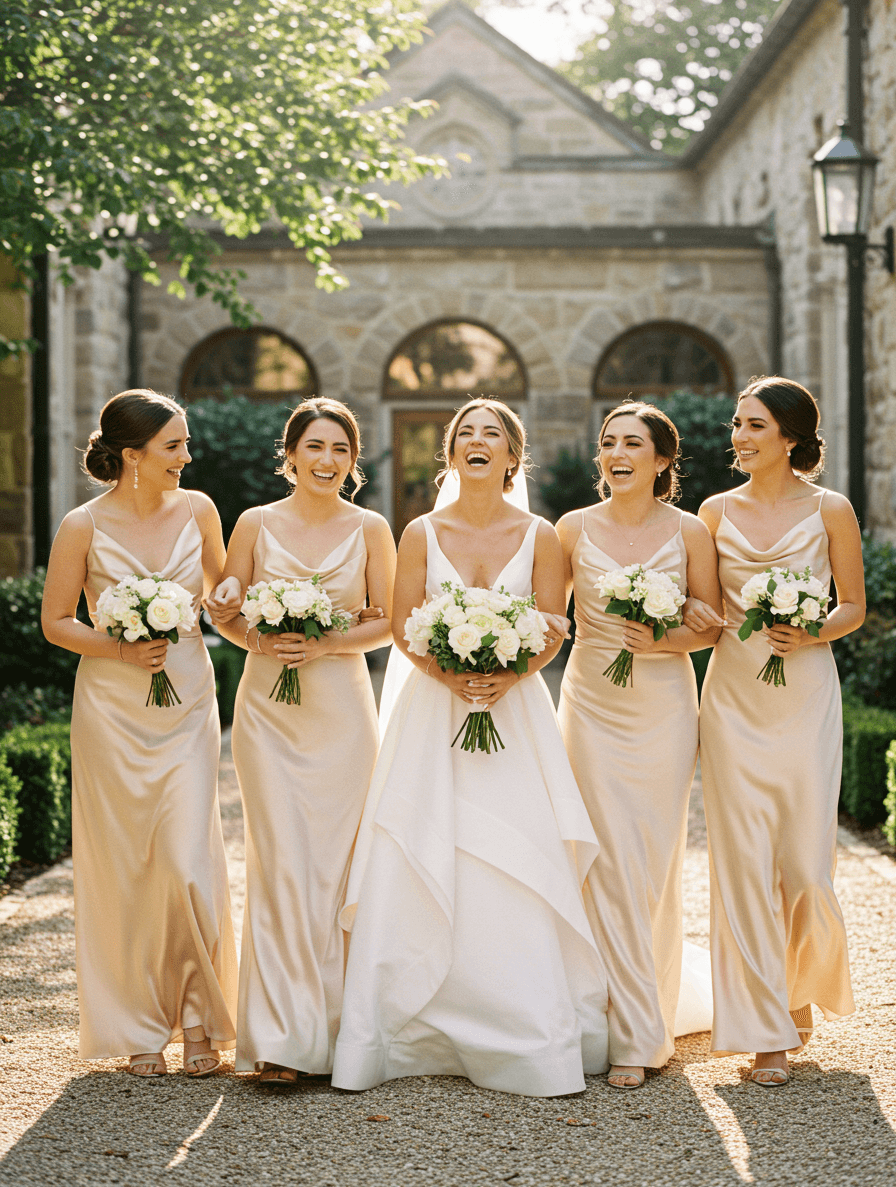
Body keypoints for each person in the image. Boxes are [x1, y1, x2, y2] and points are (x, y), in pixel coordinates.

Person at [332, 399, 610, 1098]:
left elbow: (554, 624)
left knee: (517, 852)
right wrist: (450, 675)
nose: (478, 441)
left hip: (513, 713)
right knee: (425, 842)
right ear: (450, 455)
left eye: (492, 434)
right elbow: (400, 625)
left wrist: (505, 676)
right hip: (435, 710)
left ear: (513, 457)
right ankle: (409, 1027)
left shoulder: (541, 533)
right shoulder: (420, 531)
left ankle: (523, 1025)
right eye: (466, 434)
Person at [41, 389, 237, 1078]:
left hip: (186, 698)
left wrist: (239, 603)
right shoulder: (82, 525)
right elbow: (57, 621)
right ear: (133, 456)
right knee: (129, 868)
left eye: (184, 444)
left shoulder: (201, 510)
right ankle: (140, 1027)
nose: (188, 456)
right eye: (175, 446)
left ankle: (199, 1017)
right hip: (113, 709)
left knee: (186, 862)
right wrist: (120, 649)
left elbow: (221, 591)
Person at [207, 398, 396, 1084]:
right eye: (314, 447)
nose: (326, 461)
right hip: (267, 709)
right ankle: (281, 1039)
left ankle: (342, 1032)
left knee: (337, 865)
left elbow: (388, 621)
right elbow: (227, 612)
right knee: (281, 858)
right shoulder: (255, 523)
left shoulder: (372, 526)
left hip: (342, 709)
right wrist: (259, 636)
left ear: (353, 462)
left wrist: (324, 642)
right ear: (289, 456)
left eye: (340, 450)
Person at [684, 376, 864, 1087]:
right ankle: (765, 1033)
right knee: (744, 864)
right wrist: (690, 619)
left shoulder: (831, 509)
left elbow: (853, 606)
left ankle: (797, 988)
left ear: (790, 436)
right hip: (732, 698)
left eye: (755, 424)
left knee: (806, 867)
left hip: (806, 695)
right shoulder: (713, 512)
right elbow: (704, 610)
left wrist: (812, 627)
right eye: (737, 423)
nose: (740, 435)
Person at [556, 401, 721, 1090]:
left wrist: (665, 636)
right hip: (591, 701)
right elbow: (543, 617)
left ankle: (643, 1010)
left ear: (661, 461)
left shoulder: (690, 530)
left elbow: (709, 626)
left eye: (632, 443)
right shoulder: (570, 528)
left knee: (651, 860)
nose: (616, 452)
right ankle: (620, 1026)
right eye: (607, 442)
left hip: (662, 705)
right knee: (604, 858)